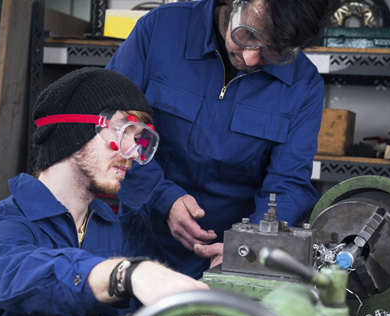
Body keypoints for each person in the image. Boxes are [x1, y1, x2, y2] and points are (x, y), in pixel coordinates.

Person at [0, 67, 209, 316]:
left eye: (140, 138)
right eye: (123, 130)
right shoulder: (1, 225)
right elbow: (10, 275)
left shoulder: (110, 226)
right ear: (75, 131)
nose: (133, 151)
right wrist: (124, 274)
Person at [105, 0, 329, 278]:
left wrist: (249, 246)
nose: (250, 58)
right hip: (137, 241)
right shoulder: (159, 30)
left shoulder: (303, 84)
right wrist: (161, 198)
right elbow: (111, 126)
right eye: (247, 35)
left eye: (275, 50)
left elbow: (288, 184)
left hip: (228, 260)